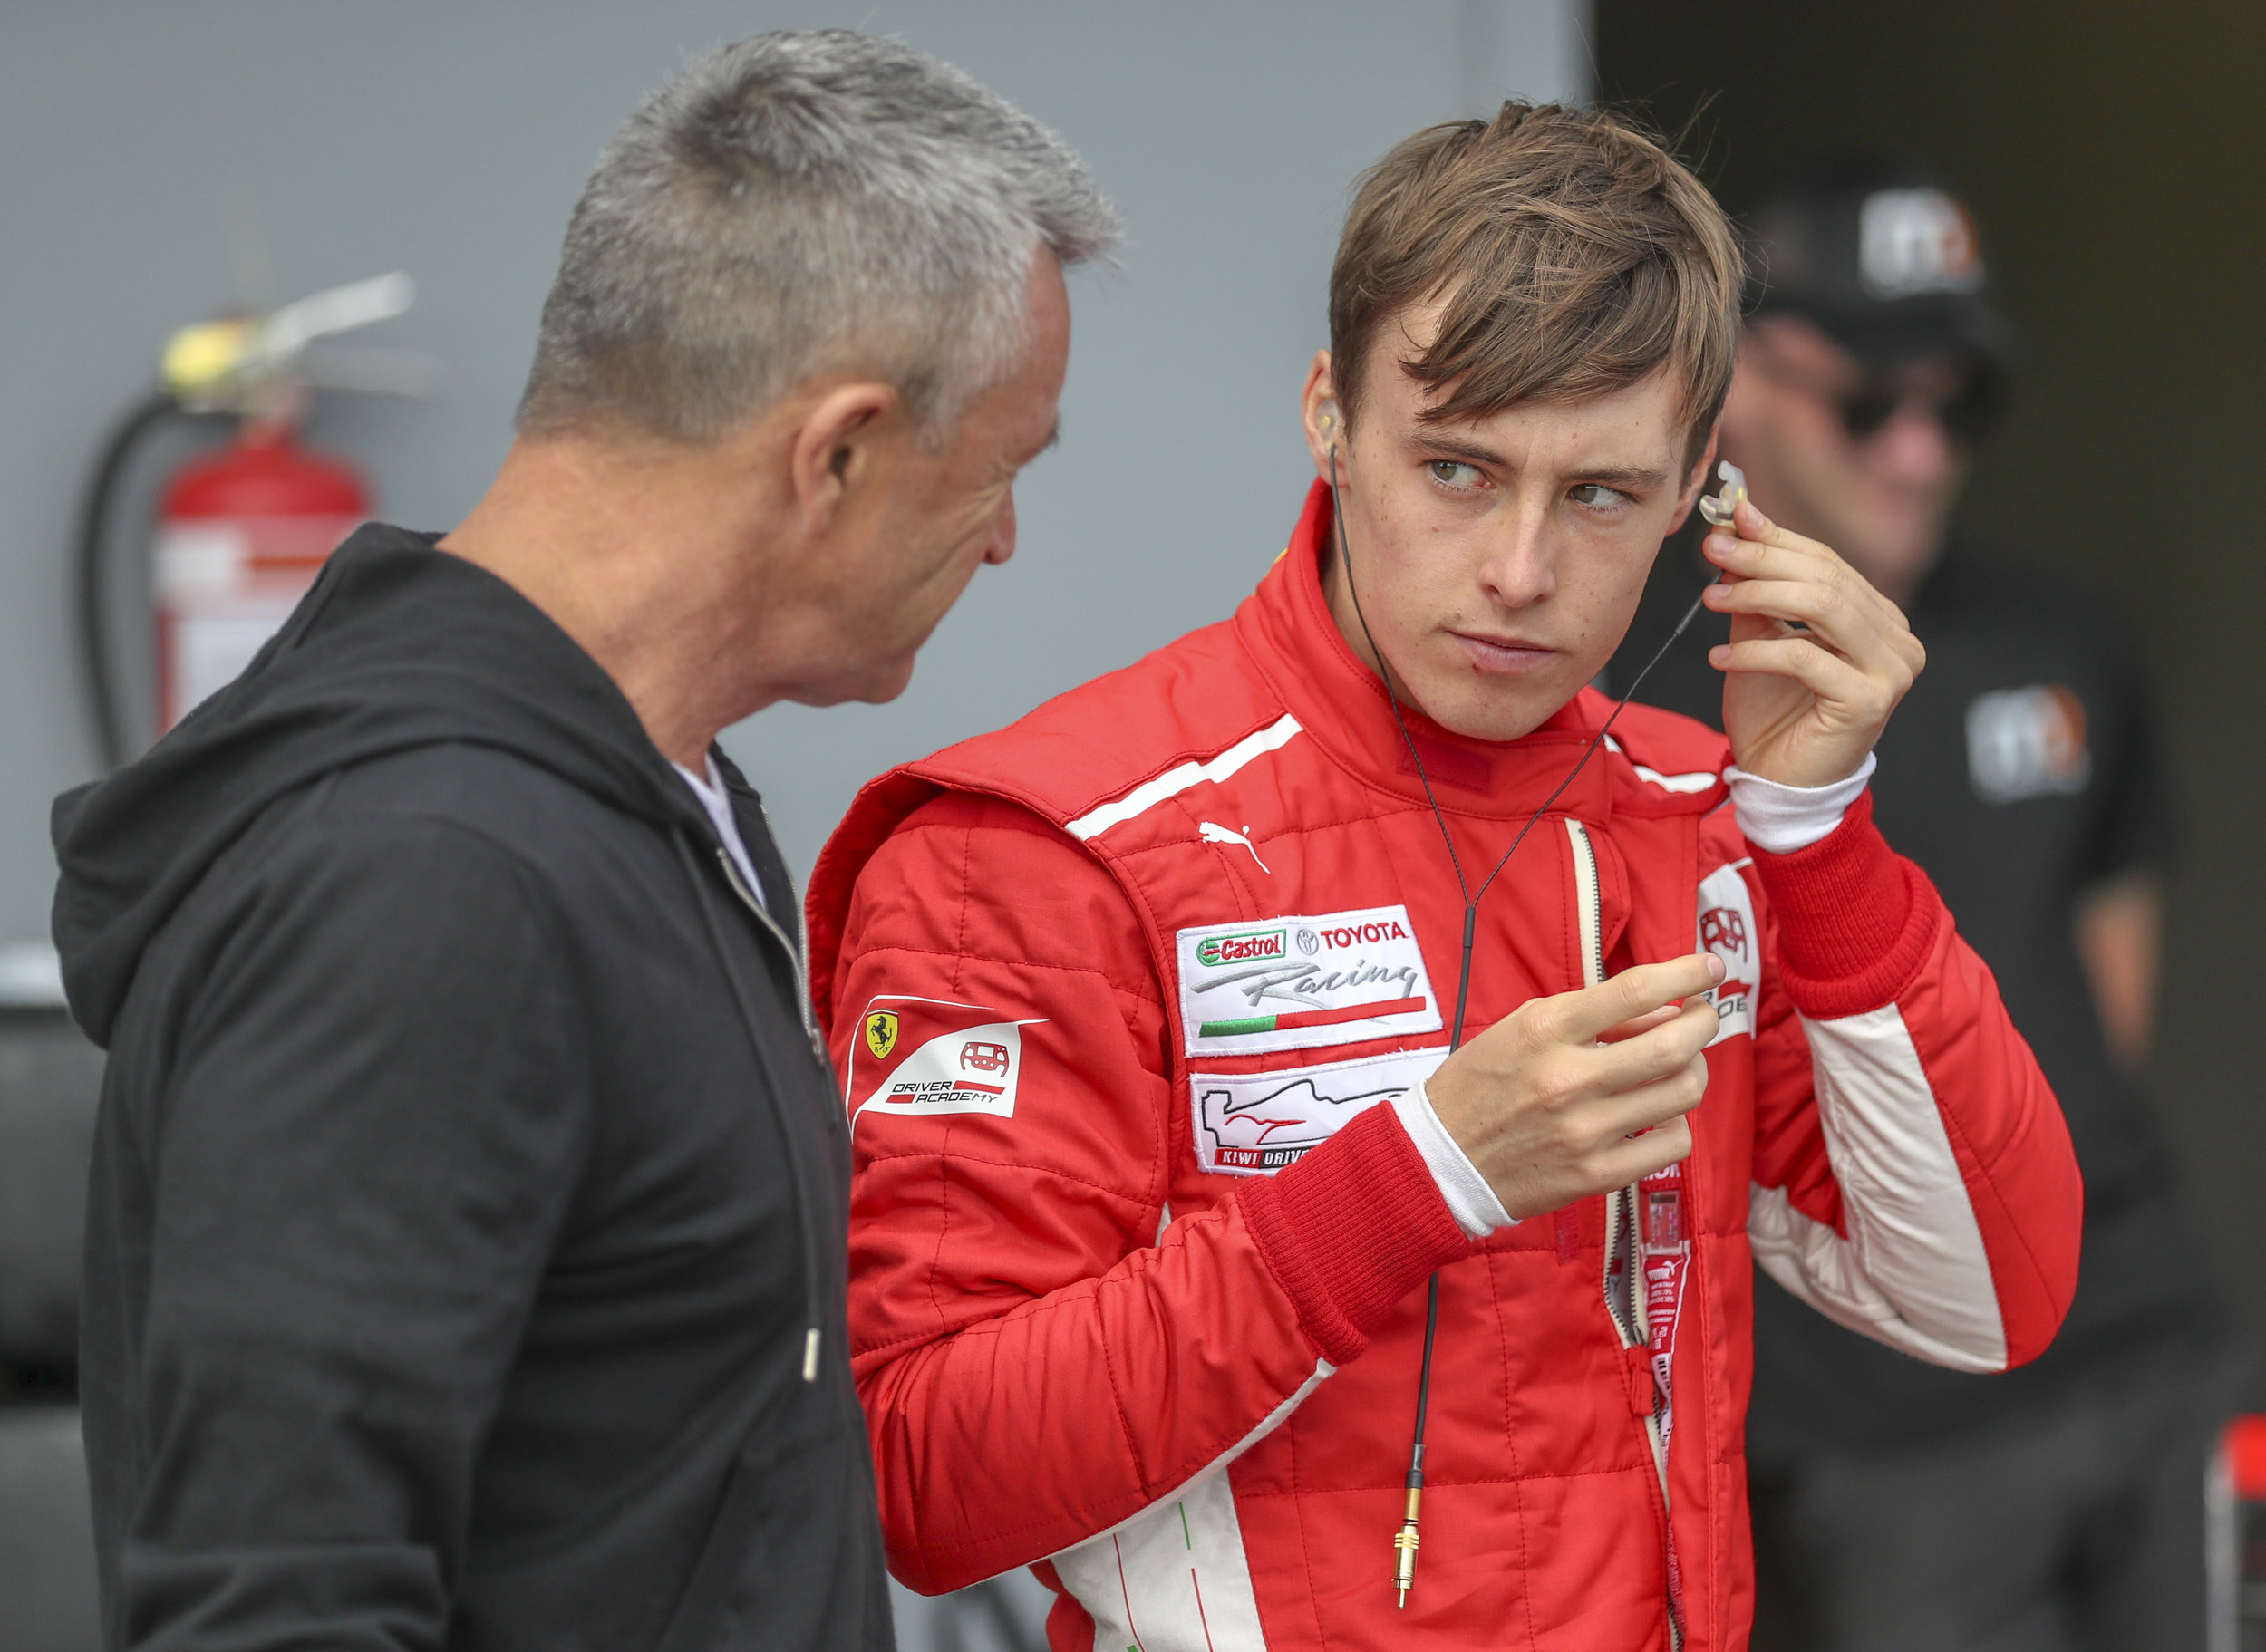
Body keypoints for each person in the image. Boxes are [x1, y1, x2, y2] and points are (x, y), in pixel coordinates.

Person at [808, 107, 2081, 1650]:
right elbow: (925, 1478)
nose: (1521, 572)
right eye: (1460, 471)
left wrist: (1822, 836)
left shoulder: (1704, 822)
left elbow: (1989, 1294)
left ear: (1701, 488)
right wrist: (1417, 1177)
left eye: (1603, 494)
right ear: (1330, 419)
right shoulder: (1042, 846)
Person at [50, 31, 1116, 1652]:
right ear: (836, 452)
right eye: (999, 472)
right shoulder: (422, 880)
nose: (1008, 537)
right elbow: (275, 1606)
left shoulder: (657, 790)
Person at [1609, 159, 2247, 1652]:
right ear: (1740, 386)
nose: (1916, 448)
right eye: (1867, 400)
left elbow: (2103, 1007)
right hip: (1877, 1422)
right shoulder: (1629, 669)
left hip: (2148, 1341)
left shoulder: (2061, 636)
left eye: (1956, 404)